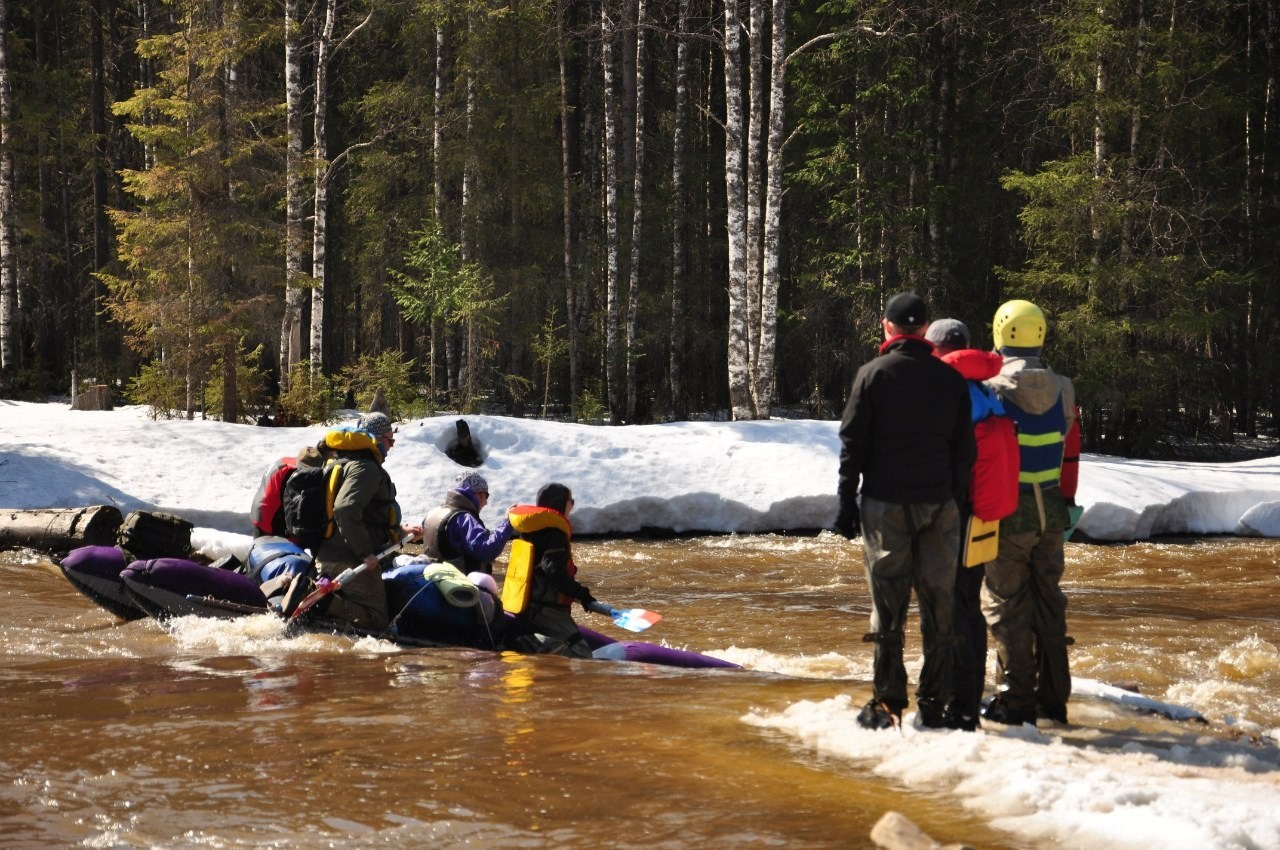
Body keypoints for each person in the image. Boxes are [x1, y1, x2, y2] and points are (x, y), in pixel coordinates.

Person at [835, 292, 975, 730]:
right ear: (923, 329)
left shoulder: (873, 374)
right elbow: (964, 452)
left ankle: (889, 702)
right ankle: (934, 703)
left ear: (887, 327)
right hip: (940, 506)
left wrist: (846, 502)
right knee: (941, 608)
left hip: (885, 506)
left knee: (888, 608)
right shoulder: (948, 379)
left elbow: (852, 445)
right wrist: (950, 498)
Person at [980, 300, 1081, 726]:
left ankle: (1016, 700)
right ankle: (1053, 700)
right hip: (1052, 510)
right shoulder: (1065, 387)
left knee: (1006, 604)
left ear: (1001, 333)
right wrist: (1069, 503)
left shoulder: (992, 388)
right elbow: (1071, 452)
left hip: (1009, 510)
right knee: (1049, 601)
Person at [925, 318, 1020, 731]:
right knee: (969, 608)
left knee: (943, 611)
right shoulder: (985, 389)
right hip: (983, 516)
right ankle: (966, 702)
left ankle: (945, 704)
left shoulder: (943, 390)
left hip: (950, 516)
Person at [313, 412, 421, 631]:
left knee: (354, 616)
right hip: (352, 561)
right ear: (378, 438)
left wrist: (400, 531)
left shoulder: (340, 463)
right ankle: (322, 601)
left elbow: (366, 518)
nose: (391, 447)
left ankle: (324, 612)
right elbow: (345, 509)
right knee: (377, 620)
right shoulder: (366, 468)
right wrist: (365, 553)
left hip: (328, 555)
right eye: (390, 440)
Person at [504, 482, 599, 658]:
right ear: (562, 503)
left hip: (524, 606)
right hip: (545, 610)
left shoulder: (530, 530)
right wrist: (582, 594)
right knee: (583, 654)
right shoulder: (555, 535)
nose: (573, 505)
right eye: (572, 501)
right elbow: (553, 571)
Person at [421, 471, 513, 575]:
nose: (486, 502)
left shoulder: (433, 513)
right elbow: (486, 551)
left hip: (432, 580)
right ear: (477, 494)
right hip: (459, 586)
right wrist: (507, 523)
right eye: (486, 495)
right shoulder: (464, 519)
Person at [248, 443, 331, 539]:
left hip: (259, 509)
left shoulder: (287, 461)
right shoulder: (292, 474)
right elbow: (291, 506)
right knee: (275, 550)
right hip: (269, 517)